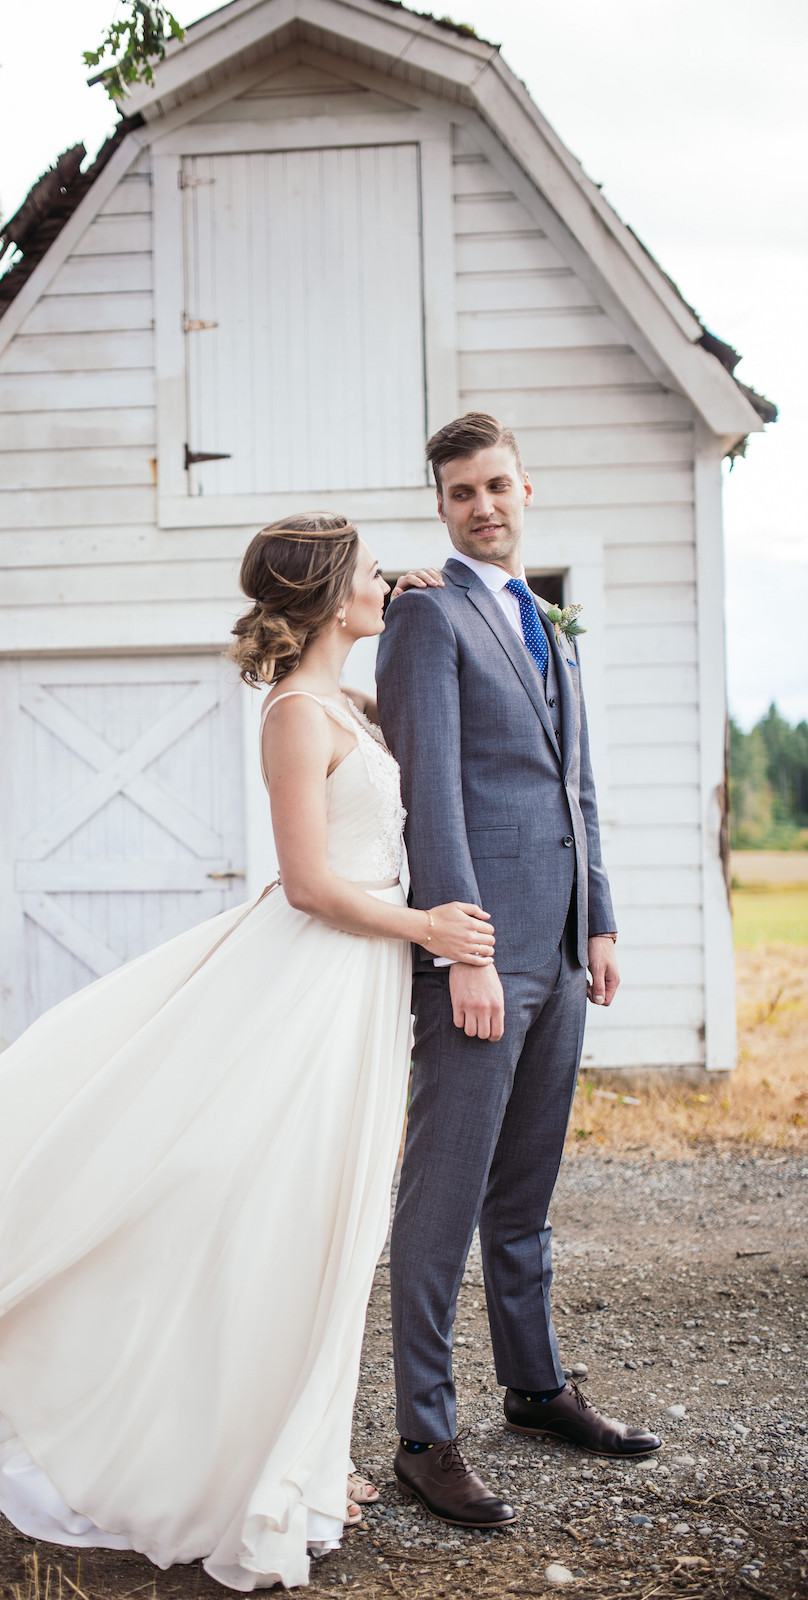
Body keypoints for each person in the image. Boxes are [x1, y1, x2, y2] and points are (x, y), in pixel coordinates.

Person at [0, 513, 496, 1592]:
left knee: (333, 1229)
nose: (380, 581)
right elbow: (308, 883)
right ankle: (212, 1458)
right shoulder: (297, 715)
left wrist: (441, 597)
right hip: (310, 982)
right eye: (365, 573)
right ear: (321, 599)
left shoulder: (352, 700)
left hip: (350, 998)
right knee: (270, 1217)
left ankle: (295, 1459)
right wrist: (429, 928)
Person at [377, 413, 660, 1529]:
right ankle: (424, 1432)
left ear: (527, 487)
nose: (482, 506)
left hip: (560, 947)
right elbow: (430, 796)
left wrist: (601, 922)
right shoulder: (424, 616)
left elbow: (575, 785)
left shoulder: (553, 622)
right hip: (484, 955)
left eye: (496, 485)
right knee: (444, 1192)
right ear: (441, 506)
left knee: (526, 1190)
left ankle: (535, 1387)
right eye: (460, 492)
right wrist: (461, 952)